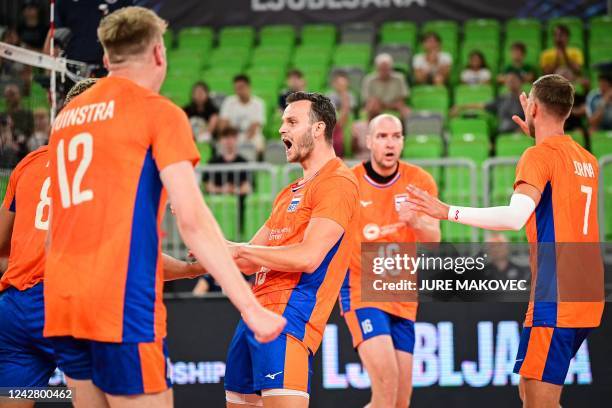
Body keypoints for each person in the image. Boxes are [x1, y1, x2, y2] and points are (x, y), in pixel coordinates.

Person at [43, 8, 285, 408]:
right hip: (119, 306)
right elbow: (191, 221)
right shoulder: (158, 112)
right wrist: (250, 305)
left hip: (63, 302)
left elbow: (55, 227)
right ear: (159, 53)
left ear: (106, 59)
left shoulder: (67, 118)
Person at [0, 77, 209, 408]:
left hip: (13, 309)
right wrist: (189, 269)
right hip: (69, 301)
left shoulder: (28, 163)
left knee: (16, 398)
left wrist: (23, 265)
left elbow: (3, 243)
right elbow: (125, 253)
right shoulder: (105, 161)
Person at [406, 74, 603, 408]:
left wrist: (446, 211)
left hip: (556, 293)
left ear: (534, 108)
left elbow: (514, 218)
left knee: (540, 402)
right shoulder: (587, 159)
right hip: (586, 291)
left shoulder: (538, 157)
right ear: (568, 111)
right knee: (529, 391)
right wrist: (539, 135)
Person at [224, 92, 359, 408]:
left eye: (292, 122)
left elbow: (308, 257)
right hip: (253, 317)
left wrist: (238, 249)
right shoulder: (290, 191)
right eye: (283, 122)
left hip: (289, 318)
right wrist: (204, 235)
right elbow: (244, 260)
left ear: (318, 129)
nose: (282, 130)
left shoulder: (338, 182)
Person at [340, 114, 440, 408]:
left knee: (400, 401)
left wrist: (417, 222)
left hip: (402, 293)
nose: (390, 143)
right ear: (368, 141)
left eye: (396, 136)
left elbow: (433, 240)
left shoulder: (419, 181)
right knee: (385, 387)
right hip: (362, 289)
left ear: (403, 142)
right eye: (382, 136)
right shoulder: (350, 182)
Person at [453, 71, 524, 134]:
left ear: (520, 81)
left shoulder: (527, 100)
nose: (510, 82)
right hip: (502, 133)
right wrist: (461, 107)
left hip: (523, 133)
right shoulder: (502, 99)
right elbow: (481, 105)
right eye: (508, 80)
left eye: (513, 80)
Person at [219, 74, 266, 154]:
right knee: (222, 143)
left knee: (259, 142)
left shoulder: (258, 103)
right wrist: (231, 138)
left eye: (241, 88)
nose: (239, 91)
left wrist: (242, 141)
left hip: (252, 136)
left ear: (248, 87)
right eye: (236, 88)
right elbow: (224, 124)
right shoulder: (229, 102)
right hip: (232, 135)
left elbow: (255, 126)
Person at [361, 53, 410, 119]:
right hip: (377, 105)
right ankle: (371, 127)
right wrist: (378, 103)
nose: (384, 72)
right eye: (381, 69)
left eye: (386, 69)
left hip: (395, 105)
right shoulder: (369, 80)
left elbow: (402, 98)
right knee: (372, 105)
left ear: (391, 68)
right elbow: (367, 100)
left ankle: (403, 128)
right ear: (377, 68)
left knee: (405, 110)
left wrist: (390, 105)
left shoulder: (399, 78)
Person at [327, 71, 356, 157]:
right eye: (338, 83)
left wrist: (344, 95)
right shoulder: (329, 95)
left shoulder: (351, 95)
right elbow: (333, 113)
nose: (341, 86)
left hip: (348, 122)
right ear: (334, 84)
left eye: (343, 83)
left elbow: (350, 114)